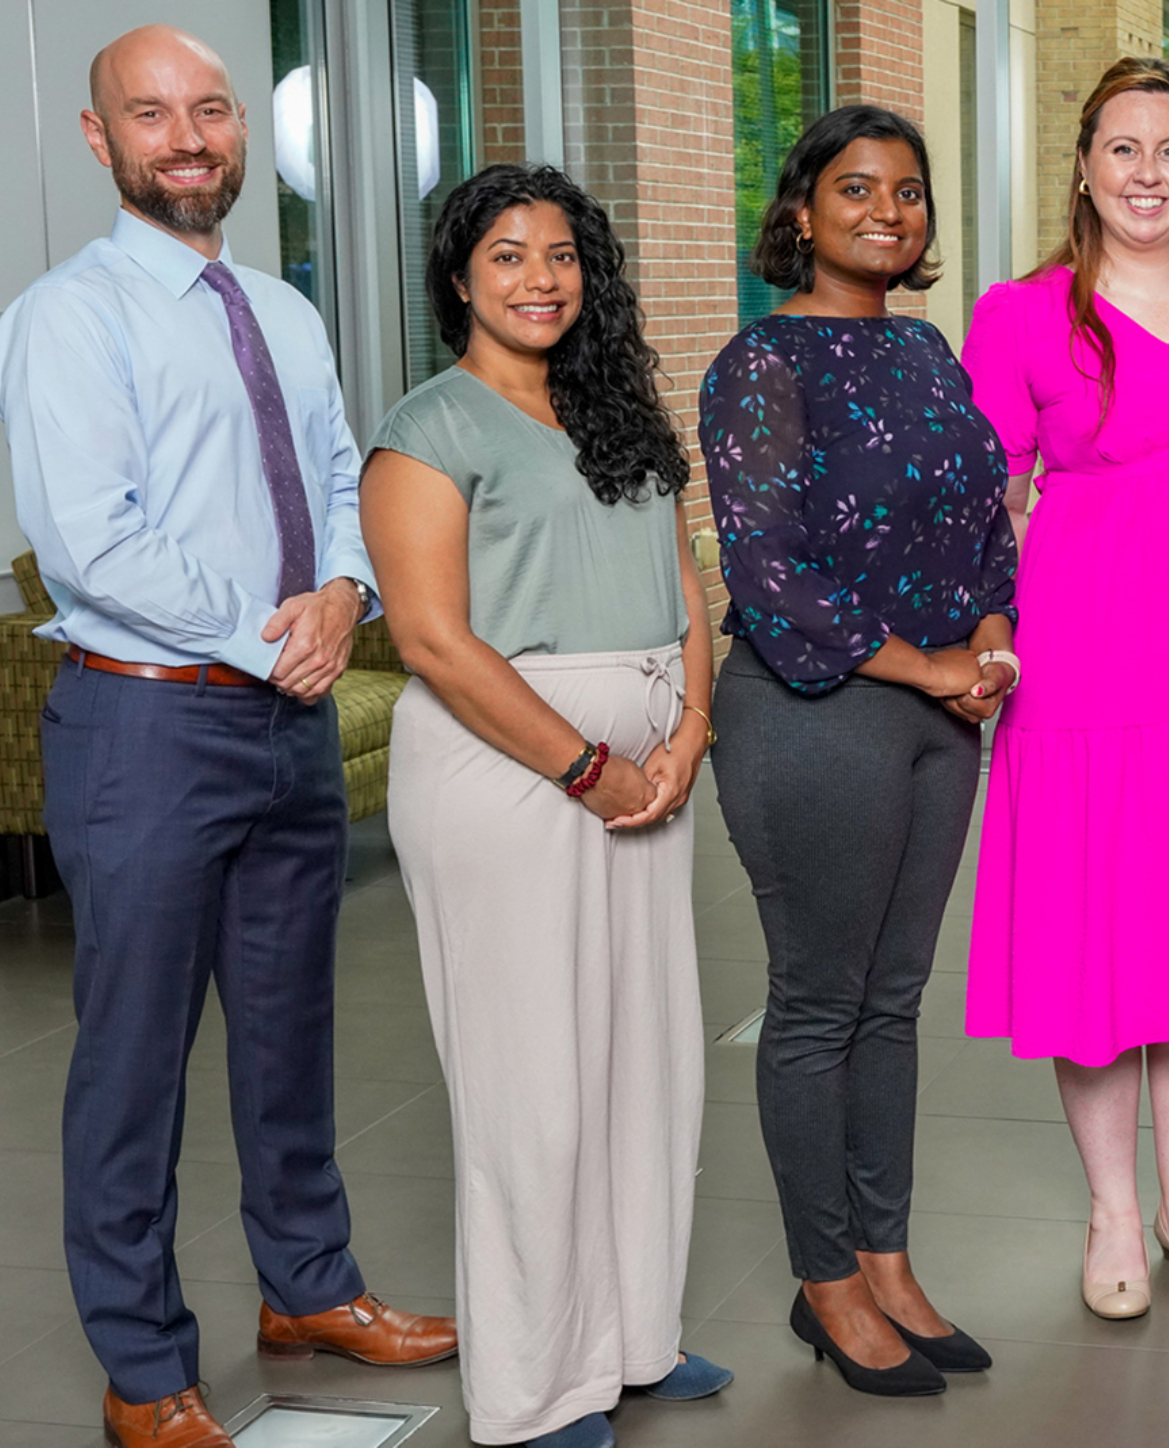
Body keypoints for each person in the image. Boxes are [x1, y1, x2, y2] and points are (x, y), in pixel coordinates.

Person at [0, 27, 455, 1448]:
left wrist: (344, 589)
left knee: (288, 1035)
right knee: (131, 1058)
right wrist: (277, 633)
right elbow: (97, 544)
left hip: (282, 723)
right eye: (150, 115)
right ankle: (144, 1368)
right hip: (147, 726)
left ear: (239, 128)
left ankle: (308, 1288)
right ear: (98, 139)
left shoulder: (281, 308)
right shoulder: (67, 319)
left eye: (207, 110)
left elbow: (328, 468)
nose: (185, 138)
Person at [361, 163, 726, 1448]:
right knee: (535, 1088)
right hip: (508, 774)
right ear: (459, 276)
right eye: (508, 256)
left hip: (648, 769)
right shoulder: (430, 427)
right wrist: (590, 766)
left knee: (648, 1065)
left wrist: (688, 726)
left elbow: (682, 578)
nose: (540, 279)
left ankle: (631, 1337)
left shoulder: (615, 408)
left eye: (561, 255)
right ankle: (532, 1387)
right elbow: (434, 640)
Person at [960, 57, 1169, 1320]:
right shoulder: (1021, 311)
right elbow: (989, 496)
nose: (1146, 174)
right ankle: (1112, 1211)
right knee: (1093, 933)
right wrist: (985, 635)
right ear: (1085, 165)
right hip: (1082, 655)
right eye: (1123, 149)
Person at [699, 104, 1011, 1398]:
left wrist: (990, 629)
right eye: (857, 190)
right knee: (820, 1003)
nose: (888, 211)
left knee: (891, 1002)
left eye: (908, 192)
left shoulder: (931, 350)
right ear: (805, 211)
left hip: (945, 718)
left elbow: (986, 510)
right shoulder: (759, 365)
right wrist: (930, 663)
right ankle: (823, 1283)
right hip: (816, 713)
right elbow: (770, 572)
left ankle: (885, 1260)